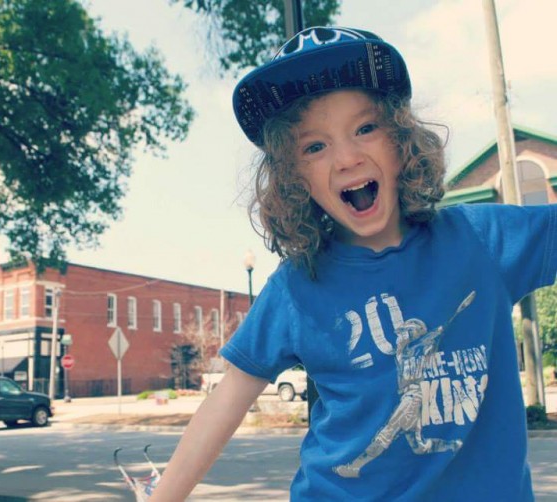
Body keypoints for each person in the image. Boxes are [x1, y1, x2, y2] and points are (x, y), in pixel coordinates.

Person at [150, 26, 555, 501]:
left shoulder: (480, 240)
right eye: (314, 146)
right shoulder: (296, 288)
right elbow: (226, 401)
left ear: (401, 141)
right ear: (294, 177)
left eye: (366, 128)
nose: (345, 157)